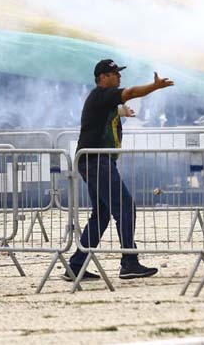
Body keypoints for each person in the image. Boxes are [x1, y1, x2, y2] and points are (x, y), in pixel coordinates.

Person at [65, 59, 174, 281]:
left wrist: (121, 112)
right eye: (114, 73)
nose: (119, 76)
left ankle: (76, 266)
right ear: (102, 78)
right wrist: (154, 87)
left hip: (92, 161)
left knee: (102, 214)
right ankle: (129, 262)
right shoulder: (101, 95)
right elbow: (131, 92)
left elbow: (110, 112)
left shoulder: (102, 100)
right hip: (97, 161)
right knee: (125, 207)